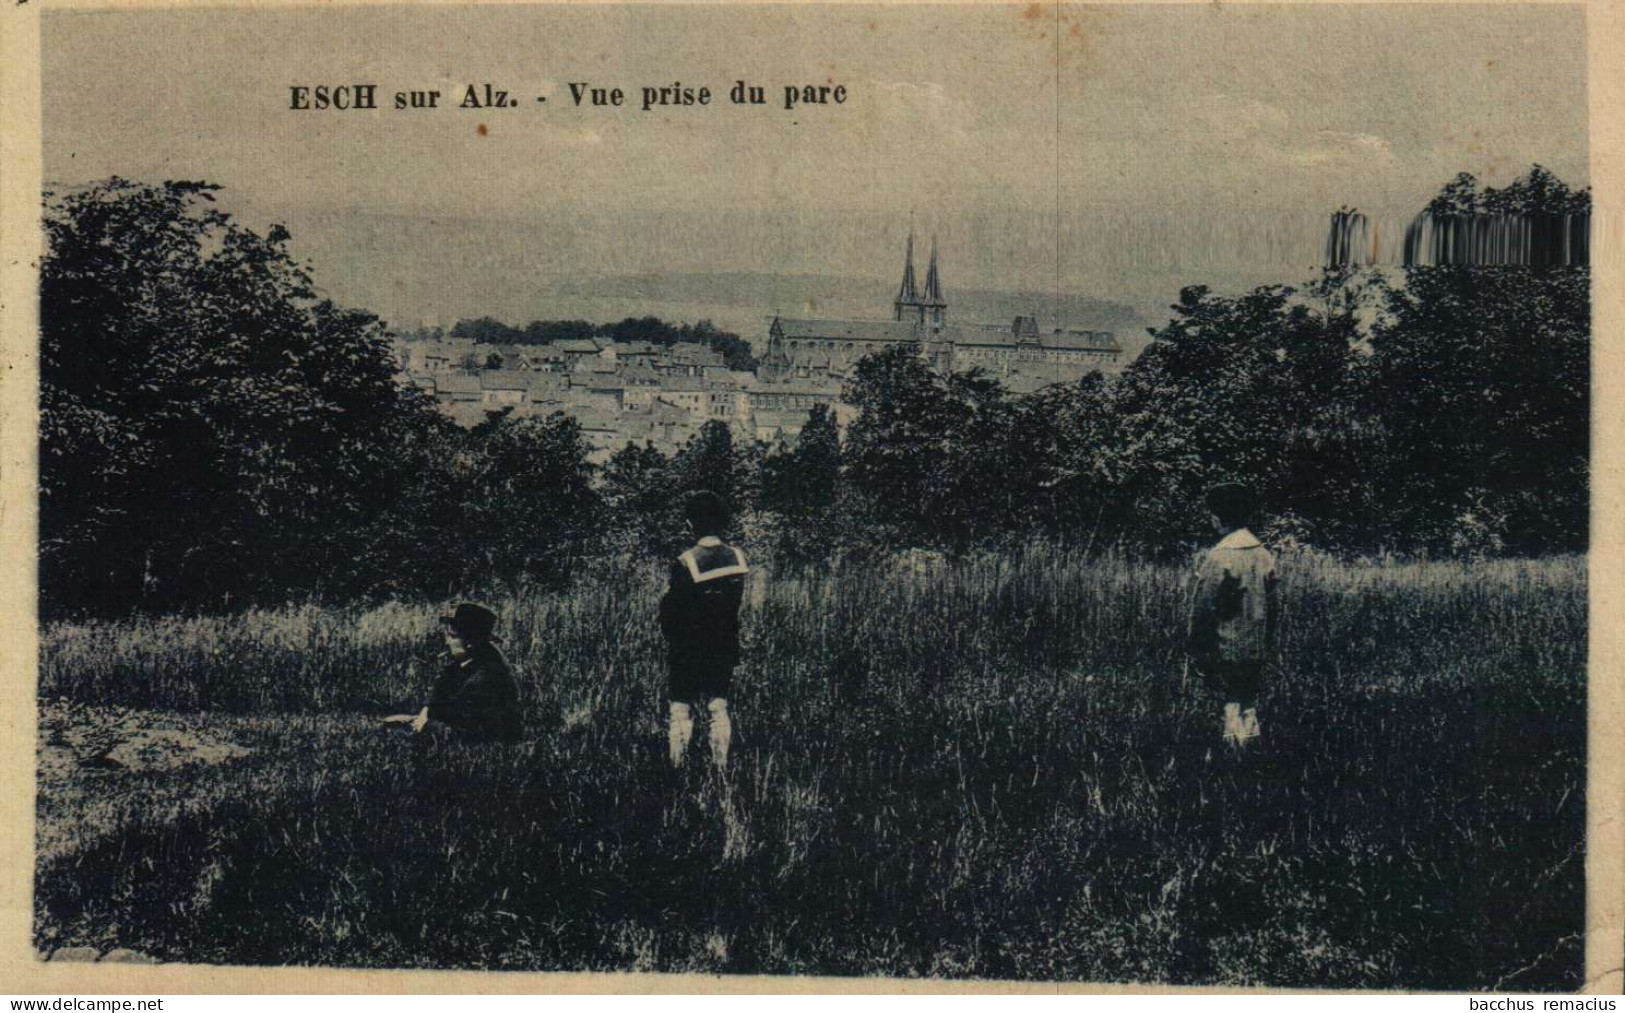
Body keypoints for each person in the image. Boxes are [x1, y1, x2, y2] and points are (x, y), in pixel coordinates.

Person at [659, 490, 748, 770]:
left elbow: (671, 612)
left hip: (688, 647)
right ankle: (720, 770)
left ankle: (676, 770)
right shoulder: (737, 558)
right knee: (718, 706)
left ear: (691, 523)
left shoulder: (686, 561)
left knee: (680, 708)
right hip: (724, 643)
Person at [1187, 482, 1279, 750]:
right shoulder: (1262, 554)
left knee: (1229, 703)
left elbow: (1204, 607)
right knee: (1248, 701)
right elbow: (1273, 603)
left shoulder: (1218, 558)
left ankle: (1230, 759)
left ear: (1218, 516)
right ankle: (1252, 752)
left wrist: (1196, 645)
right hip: (1256, 645)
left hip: (1224, 644)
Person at [383, 602, 523, 743]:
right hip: (457, 726)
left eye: (452, 636)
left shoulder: (489, 674)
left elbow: (464, 719)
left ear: (470, 642)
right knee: (391, 722)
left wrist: (424, 723)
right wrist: (423, 715)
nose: (447, 641)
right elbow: (437, 696)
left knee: (405, 731)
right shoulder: (463, 664)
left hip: (480, 737)